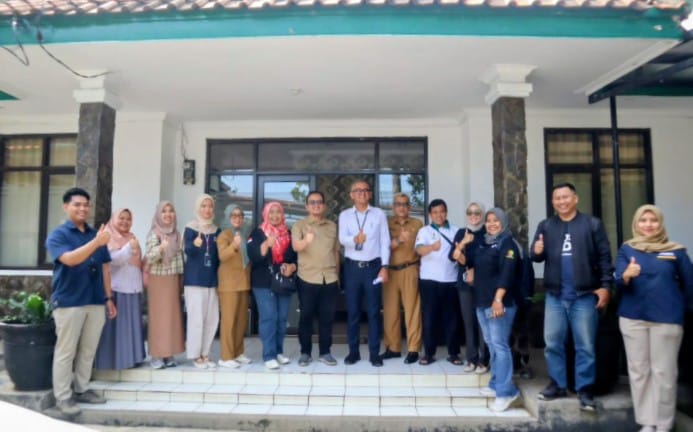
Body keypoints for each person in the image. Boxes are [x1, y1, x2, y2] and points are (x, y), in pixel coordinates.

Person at [530, 182, 613, 411]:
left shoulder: (592, 224)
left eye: (565, 197)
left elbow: (605, 257)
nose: (561, 201)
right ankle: (557, 384)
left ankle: (584, 389)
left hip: (584, 295)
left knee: (585, 345)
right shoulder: (546, 226)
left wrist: (606, 286)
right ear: (552, 202)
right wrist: (536, 251)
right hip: (555, 296)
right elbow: (535, 256)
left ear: (575, 199)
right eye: (557, 198)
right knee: (553, 343)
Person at [614, 205, 693, 432]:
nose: (648, 224)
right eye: (643, 220)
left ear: (661, 223)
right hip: (633, 318)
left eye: (653, 220)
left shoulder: (676, 252)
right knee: (639, 371)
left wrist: (681, 311)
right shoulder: (627, 249)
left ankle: (664, 423)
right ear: (636, 224)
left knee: (664, 373)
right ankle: (647, 422)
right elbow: (618, 281)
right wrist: (626, 275)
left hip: (666, 319)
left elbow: (690, 285)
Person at [45, 187, 117, 416]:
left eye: (86, 204)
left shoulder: (95, 234)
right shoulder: (59, 235)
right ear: (66, 206)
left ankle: (82, 388)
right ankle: (63, 397)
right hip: (70, 301)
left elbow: (105, 268)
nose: (83, 208)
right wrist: (97, 242)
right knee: (66, 352)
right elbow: (70, 260)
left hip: (95, 300)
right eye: (77, 204)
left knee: (88, 350)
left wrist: (108, 297)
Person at [466, 207, 521, 412]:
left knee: (500, 345)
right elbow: (474, 265)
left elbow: (507, 273)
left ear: (503, 222)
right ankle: (496, 383)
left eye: (496, 220)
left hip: (498, 303)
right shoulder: (484, 242)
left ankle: (506, 392)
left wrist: (498, 299)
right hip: (482, 302)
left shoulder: (508, 243)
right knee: (491, 344)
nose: (491, 224)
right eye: (488, 220)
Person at [338, 180, 390, 367]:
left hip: (373, 268)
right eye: (357, 190)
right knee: (353, 312)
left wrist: (385, 266)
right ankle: (353, 353)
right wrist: (355, 239)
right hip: (352, 269)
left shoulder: (379, 214)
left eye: (365, 190)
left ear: (370, 194)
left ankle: (374, 353)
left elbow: (385, 241)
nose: (362, 193)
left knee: (374, 312)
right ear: (351, 195)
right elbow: (342, 239)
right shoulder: (345, 215)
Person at [292, 191, 341, 367]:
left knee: (327, 318)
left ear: (324, 206)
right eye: (312, 202)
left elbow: (336, 252)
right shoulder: (299, 225)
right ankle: (305, 353)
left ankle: (325, 352)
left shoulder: (332, 226)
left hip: (329, 278)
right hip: (307, 278)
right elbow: (296, 247)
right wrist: (307, 240)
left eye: (319, 202)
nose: (316, 205)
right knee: (306, 317)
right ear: (306, 206)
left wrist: (337, 276)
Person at [247, 201, 298, 370]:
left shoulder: (288, 233)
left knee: (282, 318)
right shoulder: (258, 232)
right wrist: (265, 245)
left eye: (278, 212)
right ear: (265, 214)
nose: (275, 215)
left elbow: (295, 256)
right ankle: (269, 355)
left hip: (282, 281)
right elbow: (253, 256)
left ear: (282, 214)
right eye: (271, 212)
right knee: (269, 317)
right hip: (263, 282)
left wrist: (292, 266)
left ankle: (278, 351)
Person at [94, 208, 145, 370]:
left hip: (133, 289)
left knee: (131, 326)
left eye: (128, 219)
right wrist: (129, 248)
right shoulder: (108, 236)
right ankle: (113, 362)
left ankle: (132, 360)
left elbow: (137, 263)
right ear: (113, 219)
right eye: (121, 218)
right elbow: (113, 260)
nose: (125, 222)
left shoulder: (131, 237)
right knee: (118, 328)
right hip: (116, 289)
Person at [415, 198, 461, 366]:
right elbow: (419, 250)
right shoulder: (424, 231)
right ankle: (429, 353)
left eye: (441, 211)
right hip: (429, 280)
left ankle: (453, 353)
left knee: (452, 318)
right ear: (430, 214)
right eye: (435, 212)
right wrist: (431, 248)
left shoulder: (456, 231)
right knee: (429, 318)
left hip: (450, 280)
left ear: (446, 213)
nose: (439, 215)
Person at [382, 192, 423, 364]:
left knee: (412, 311)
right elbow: (382, 247)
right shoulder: (385, 223)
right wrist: (398, 240)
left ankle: (413, 349)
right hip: (390, 271)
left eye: (405, 204)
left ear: (409, 207)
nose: (401, 207)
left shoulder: (417, 224)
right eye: (398, 204)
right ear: (393, 207)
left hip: (410, 269)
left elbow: (422, 247)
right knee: (390, 312)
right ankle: (393, 348)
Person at [144, 201, 185, 369]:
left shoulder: (176, 234)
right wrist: (161, 248)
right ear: (158, 215)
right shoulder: (154, 233)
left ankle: (168, 353)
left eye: (171, 211)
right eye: (164, 211)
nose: (168, 214)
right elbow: (149, 257)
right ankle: (156, 355)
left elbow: (180, 257)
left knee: (171, 318)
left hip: (174, 278)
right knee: (158, 318)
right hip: (159, 279)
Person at [449, 201, 489, 374]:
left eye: (477, 212)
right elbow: (453, 256)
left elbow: (488, 257)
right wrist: (463, 243)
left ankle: (483, 360)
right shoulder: (461, 232)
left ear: (482, 214)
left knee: (483, 323)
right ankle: (471, 359)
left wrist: (470, 265)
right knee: (468, 322)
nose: (473, 216)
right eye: (470, 212)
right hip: (465, 284)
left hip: (484, 283)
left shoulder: (488, 232)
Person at [183, 194, 221, 369]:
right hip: (194, 281)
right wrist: (195, 245)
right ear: (198, 208)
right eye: (203, 206)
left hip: (211, 281)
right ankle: (195, 354)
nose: (207, 209)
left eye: (210, 206)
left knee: (212, 319)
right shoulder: (191, 228)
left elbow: (218, 257)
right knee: (196, 320)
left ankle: (205, 353)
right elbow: (187, 251)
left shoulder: (216, 230)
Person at [216, 204, 252, 368]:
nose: (238, 218)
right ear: (228, 217)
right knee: (229, 321)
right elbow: (222, 256)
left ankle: (238, 352)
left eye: (240, 215)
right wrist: (234, 246)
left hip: (243, 282)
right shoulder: (224, 234)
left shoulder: (243, 234)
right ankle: (226, 356)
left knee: (240, 321)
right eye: (234, 215)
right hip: (229, 284)